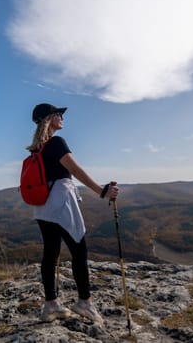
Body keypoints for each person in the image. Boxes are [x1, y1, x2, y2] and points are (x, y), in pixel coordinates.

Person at [26, 103, 119, 324]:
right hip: (61, 203)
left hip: (42, 205)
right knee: (79, 250)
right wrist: (103, 191)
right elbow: (75, 170)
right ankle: (84, 303)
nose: (62, 117)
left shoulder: (36, 148)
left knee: (50, 253)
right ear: (50, 119)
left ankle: (51, 306)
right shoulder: (56, 142)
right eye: (58, 114)